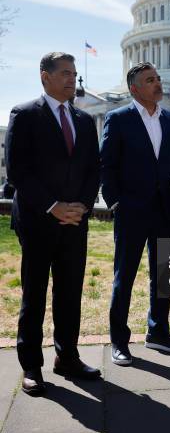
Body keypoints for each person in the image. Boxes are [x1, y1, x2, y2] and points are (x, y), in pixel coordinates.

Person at [5, 52, 101, 395]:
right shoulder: (25, 114)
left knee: (70, 293)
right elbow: (17, 171)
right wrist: (53, 206)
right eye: (64, 73)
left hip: (75, 222)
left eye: (74, 73)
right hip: (37, 221)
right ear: (44, 76)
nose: (72, 79)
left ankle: (68, 356)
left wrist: (82, 206)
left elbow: (94, 169)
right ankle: (31, 365)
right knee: (35, 295)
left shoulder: (84, 120)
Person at [100, 63, 170, 365]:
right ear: (134, 88)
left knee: (163, 276)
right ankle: (119, 341)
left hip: (165, 208)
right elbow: (107, 165)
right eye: (150, 80)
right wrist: (114, 202)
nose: (157, 84)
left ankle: (158, 332)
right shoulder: (118, 119)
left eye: (158, 79)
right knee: (123, 277)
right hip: (131, 210)